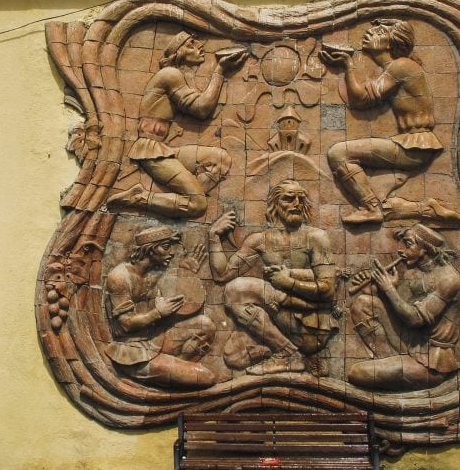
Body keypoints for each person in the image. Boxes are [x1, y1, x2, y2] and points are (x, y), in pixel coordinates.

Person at [319, 19, 449, 225]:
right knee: (386, 199)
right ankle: (425, 208)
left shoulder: (402, 66)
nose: (370, 33)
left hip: (414, 146)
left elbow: (361, 99)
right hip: (411, 144)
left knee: (338, 153)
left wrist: (348, 65)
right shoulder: (396, 68)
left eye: (379, 31)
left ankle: (371, 209)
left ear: (391, 42)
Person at [107, 32, 246, 219]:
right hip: (150, 151)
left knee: (220, 159)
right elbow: (201, 108)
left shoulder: (176, 77)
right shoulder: (170, 74)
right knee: (197, 206)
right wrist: (220, 70)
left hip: (164, 149)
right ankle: (140, 198)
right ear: (179, 53)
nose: (200, 47)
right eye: (191, 44)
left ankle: (181, 196)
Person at [207, 180, 338, 376]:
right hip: (281, 319)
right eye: (289, 198)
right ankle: (288, 352)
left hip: (311, 327)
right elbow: (221, 274)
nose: (296, 204)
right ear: (275, 203)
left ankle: (289, 355)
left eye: (301, 199)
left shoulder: (316, 237)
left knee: (237, 289)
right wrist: (213, 237)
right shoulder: (259, 240)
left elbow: (328, 289)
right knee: (233, 356)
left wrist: (289, 281)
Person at [346, 223, 460, 390]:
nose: (401, 250)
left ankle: (390, 369)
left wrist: (388, 288)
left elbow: (413, 319)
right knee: (363, 304)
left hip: (430, 360)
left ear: (425, 248)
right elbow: (399, 309)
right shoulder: (413, 272)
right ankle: (388, 360)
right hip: (409, 343)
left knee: (355, 373)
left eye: (408, 244)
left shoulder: (449, 279)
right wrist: (380, 288)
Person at [103, 225, 217, 388]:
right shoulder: (119, 277)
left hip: (157, 338)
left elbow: (179, 304)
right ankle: (173, 373)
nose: (171, 252)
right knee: (207, 377)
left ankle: (176, 369)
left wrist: (186, 274)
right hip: (134, 352)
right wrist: (158, 313)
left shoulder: (153, 273)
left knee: (205, 325)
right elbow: (126, 324)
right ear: (149, 249)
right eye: (165, 247)